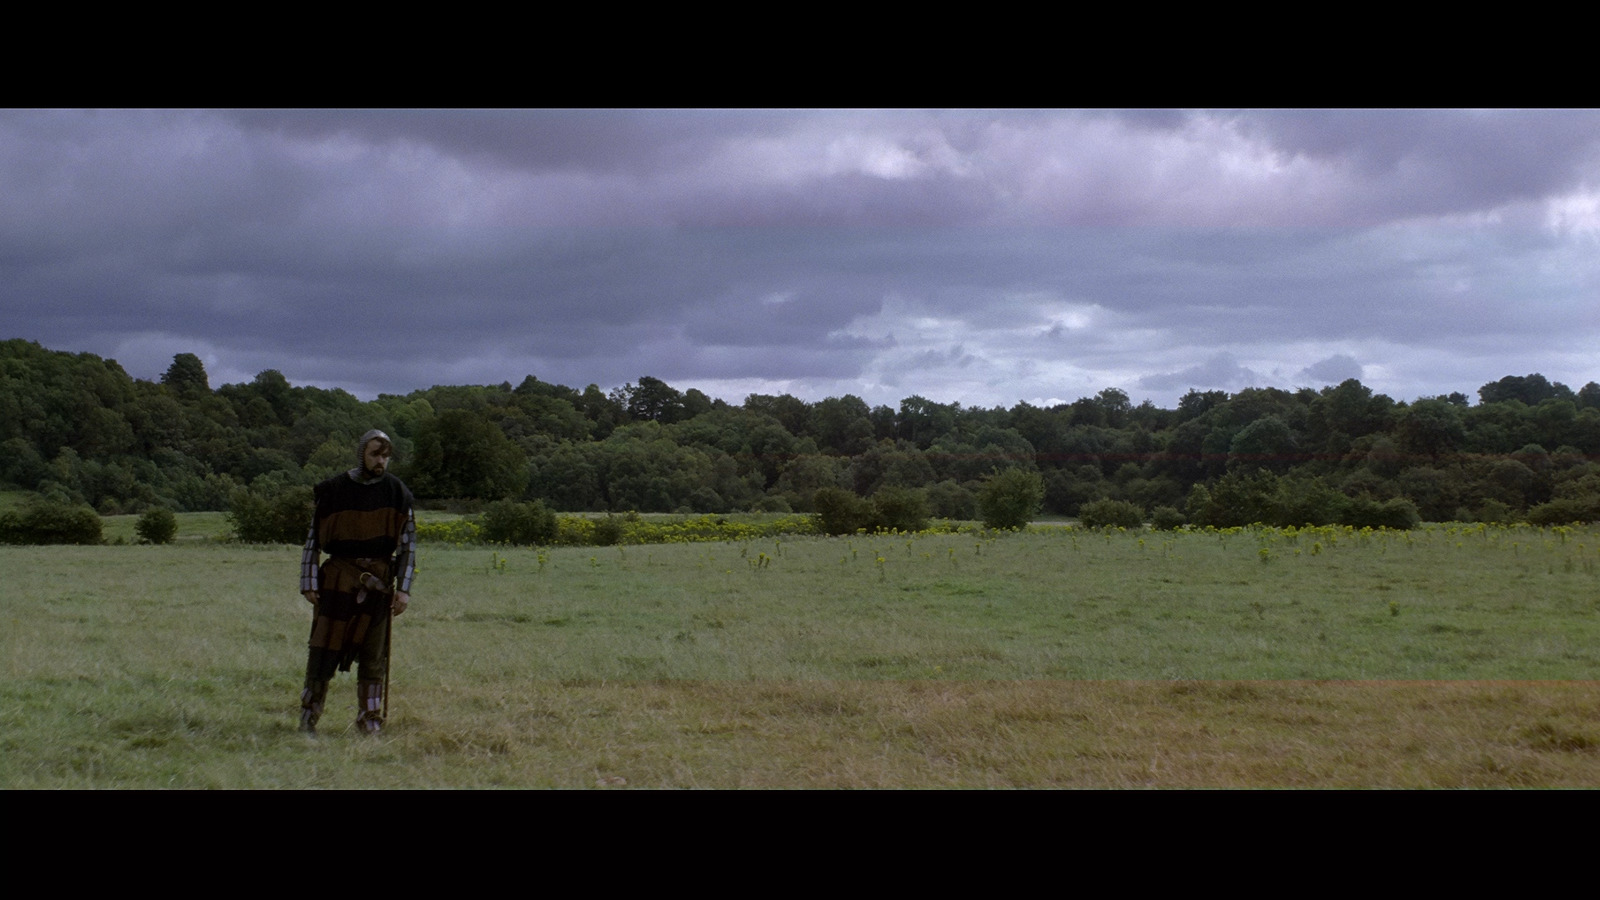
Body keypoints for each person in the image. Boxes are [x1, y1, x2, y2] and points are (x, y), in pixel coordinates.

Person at [297, 429, 416, 735]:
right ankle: (309, 715)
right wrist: (309, 581)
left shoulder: (397, 492)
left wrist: (402, 590)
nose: (381, 461)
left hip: (378, 583)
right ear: (362, 452)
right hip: (337, 579)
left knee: (373, 654)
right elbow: (313, 540)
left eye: (386, 456)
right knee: (323, 649)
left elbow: (408, 546)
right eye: (376, 454)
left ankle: (370, 719)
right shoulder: (334, 490)